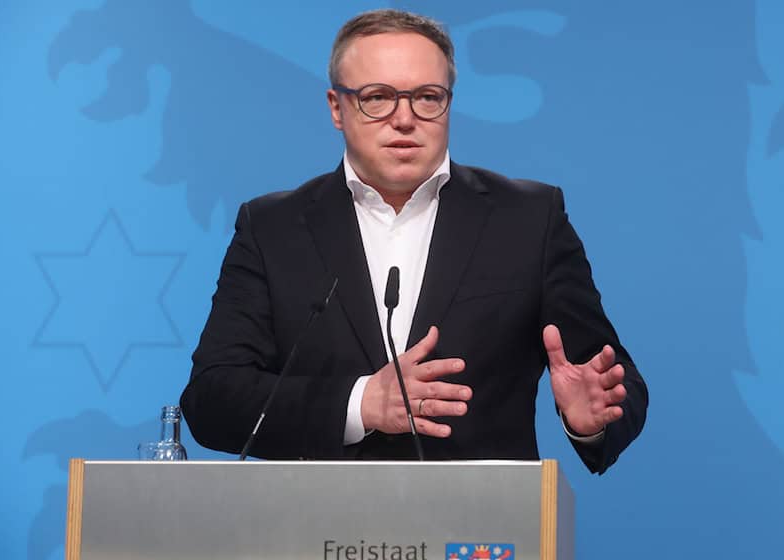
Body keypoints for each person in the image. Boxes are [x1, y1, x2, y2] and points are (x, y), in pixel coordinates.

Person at [180, 8, 647, 474]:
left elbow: (611, 382)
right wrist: (361, 403)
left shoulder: (528, 219)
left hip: (480, 532)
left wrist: (591, 421)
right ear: (336, 108)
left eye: (427, 97)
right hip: (314, 531)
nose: (404, 119)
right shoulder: (272, 228)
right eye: (378, 97)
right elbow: (213, 398)